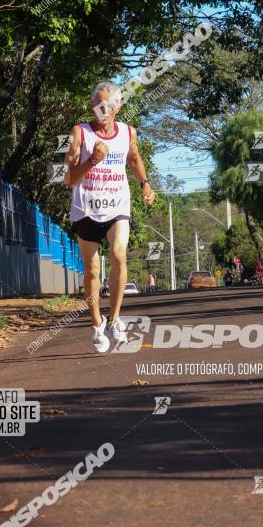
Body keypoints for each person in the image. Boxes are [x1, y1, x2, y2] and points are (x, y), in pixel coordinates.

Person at [64, 82, 156, 352]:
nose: (101, 111)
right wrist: (91, 161)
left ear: (118, 107)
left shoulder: (128, 133)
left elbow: (135, 157)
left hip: (117, 206)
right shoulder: (80, 133)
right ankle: (96, 326)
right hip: (86, 208)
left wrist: (145, 184)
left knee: (119, 254)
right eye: (97, 106)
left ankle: (115, 319)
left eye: (107, 106)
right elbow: (67, 178)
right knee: (92, 269)